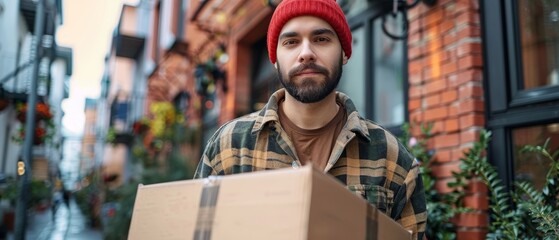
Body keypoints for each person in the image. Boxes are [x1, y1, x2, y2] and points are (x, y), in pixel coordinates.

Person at [194, 0, 426, 238]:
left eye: (321, 39)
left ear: (344, 53)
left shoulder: (391, 158)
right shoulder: (228, 146)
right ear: (274, 60)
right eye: (291, 42)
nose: (306, 53)